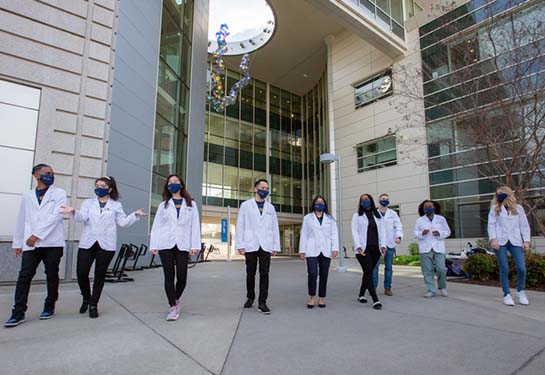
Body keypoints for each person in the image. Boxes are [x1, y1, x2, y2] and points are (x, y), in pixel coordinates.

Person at [59, 176, 146, 318]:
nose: (99, 188)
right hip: (88, 242)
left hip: (106, 245)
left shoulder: (116, 205)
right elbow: (82, 218)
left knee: (99, 275)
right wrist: (73, 211)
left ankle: (94, 304)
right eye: (97, 185)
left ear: (109, 189)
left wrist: (134, 215)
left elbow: (123, 222)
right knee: (81, 273)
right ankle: (86, 297)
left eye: (103, 186)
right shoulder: (88, 203)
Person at [5, 164, 66, 327]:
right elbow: (22, 219)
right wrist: (18, 242)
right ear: (36, 175)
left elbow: (56, 217)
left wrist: (36, 235)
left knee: (52, 274)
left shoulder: (59, 193)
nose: (51, 175)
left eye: (52, 173)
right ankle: (18, 312)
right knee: (24, 275)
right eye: (47, 173)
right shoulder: (27, 196)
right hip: (30, 244)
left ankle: (49, 305)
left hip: (52, 242)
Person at [149, 175, 200, 321]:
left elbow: (195, 226)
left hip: (183, 244)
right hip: (165, 244)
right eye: (170, 182)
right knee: (169, 276)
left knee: (182, 277)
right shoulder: (163, 205)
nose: (173, 184)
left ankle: (176, 299)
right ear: (167, 186)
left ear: (181, 185)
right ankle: (172, 307)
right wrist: (154, 245)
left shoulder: (191, 205)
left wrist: (195, 245)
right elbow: (156, 226)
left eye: (176, 182)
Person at [235, 179, 280, 314]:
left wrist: (275, 246)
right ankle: (250, 297)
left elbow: (274, 227)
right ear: (255, 189)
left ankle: (262, 302)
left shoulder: (270, 207)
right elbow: (240, 225)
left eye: (267, 188)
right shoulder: (246, 205)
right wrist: (240, 244)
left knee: (264, 274)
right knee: (250, 273)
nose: (264, 190)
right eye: (262, 187)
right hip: (251, 243)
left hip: (266, 244)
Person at [487, 186, 531, 306]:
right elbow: (491, 225)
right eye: (497, 193)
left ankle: (520, 291)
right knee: (504, 268)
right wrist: (493, 239)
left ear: (508, 193)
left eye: (501, 193)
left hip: (515, 241)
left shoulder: (518, 209)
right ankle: (506, 294)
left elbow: (524, 226)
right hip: (500, 242)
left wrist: (526, 241)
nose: (498, 195)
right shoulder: (495, 208)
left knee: (521, 268)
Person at [299, 195, 339, 309]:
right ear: (313, 204)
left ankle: (321, 297)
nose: (319, 204)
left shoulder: (330, 219)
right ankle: (312, 297)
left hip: (326, 249)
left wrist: (335, 248)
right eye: (317, 202)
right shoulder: (308, 218)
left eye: (321, 202)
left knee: (324, 274)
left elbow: (334, 234)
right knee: (312, 273)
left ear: (325, 204)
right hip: (311, 249)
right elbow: (304, 235)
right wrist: (302, 250)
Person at [351, 193, 386, 310]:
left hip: (375, 249)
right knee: (369, 272)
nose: (364, 201)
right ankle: (375, 299)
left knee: (367, 273)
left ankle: (361, 294)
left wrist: (383, 246)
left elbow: (382, 232)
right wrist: (358, 245)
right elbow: (354, 231)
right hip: (363, 249)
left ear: (371, 200)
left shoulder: (378, 216)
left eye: (366, 199)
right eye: (362, 200)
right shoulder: (357, 216)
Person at [414, 200, 451, 298]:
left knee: (441, 269)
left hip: (438, 247)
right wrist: (422, 233)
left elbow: (448, 232)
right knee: (427, 270)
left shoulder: (441, 219)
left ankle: (442, 287)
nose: (427, 208)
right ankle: (431, 290)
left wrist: (440, 233)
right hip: (425, 248)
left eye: (430, 206)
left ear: (434, 207)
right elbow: (415, 234)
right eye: (425, 207)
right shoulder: (420, 220)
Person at [372, 193, 403, 296]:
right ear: (379, 200)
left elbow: (398, 226)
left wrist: (398, 236)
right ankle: (373, 287)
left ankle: (387, 288)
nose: (384, 200)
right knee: (375, 267)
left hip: (390, 243)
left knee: (388, 267)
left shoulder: (393, 214)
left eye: (386, 199)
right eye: (382, 199)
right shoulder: (374, 213)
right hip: (377, 243)